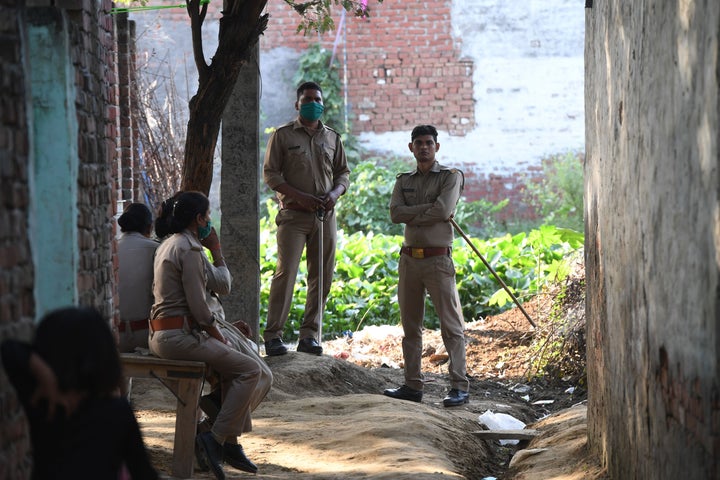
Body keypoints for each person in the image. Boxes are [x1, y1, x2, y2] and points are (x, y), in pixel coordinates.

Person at [149, 191, 265, 479]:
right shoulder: (189, 249)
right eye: (207, 215)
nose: (209, 221)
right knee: (250, 370)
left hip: (167, 333)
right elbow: (200, 311)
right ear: (198, 219)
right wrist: (219, 335)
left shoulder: (169, 244)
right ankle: (214, 440)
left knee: (235, 369)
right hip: (179, 338)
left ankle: (225, 438)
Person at [0, 306, 159, 479]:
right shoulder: (117, 412)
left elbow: (10, 350)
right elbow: (143, 473)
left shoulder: (47, 406)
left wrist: (45, 375)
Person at [383, 124, 471, 408]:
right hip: (409, 260)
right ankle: (412, 385)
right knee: (410, 327)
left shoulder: (451, 177)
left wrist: (415, 213)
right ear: (411, 147)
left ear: (437, 147)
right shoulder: (404, 180)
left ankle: (459, 386)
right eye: (418, 143)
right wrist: (428, 210)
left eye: (429, 143)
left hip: (437, 260)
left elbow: (444, 211)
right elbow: (395, 214)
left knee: (451, 326)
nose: (424, 147)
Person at [262, 81, 351, 356]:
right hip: (293, 217)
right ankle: (274, 335)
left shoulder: (333, 138)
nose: (314, 103)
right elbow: (271, 175)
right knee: (285, 273)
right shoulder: (283, 136)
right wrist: (300, 197)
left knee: (321, 276)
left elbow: (343, 173)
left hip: (325, 216)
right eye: (308, 99)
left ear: (323, 104)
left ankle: (309, 335)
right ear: (297, 104)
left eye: (317, 99)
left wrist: (335, 193)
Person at [117, 202, 159, 353]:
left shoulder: (110, 249)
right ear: (149, 227)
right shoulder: (157, 250)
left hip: (113, 336)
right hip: (148, 336)